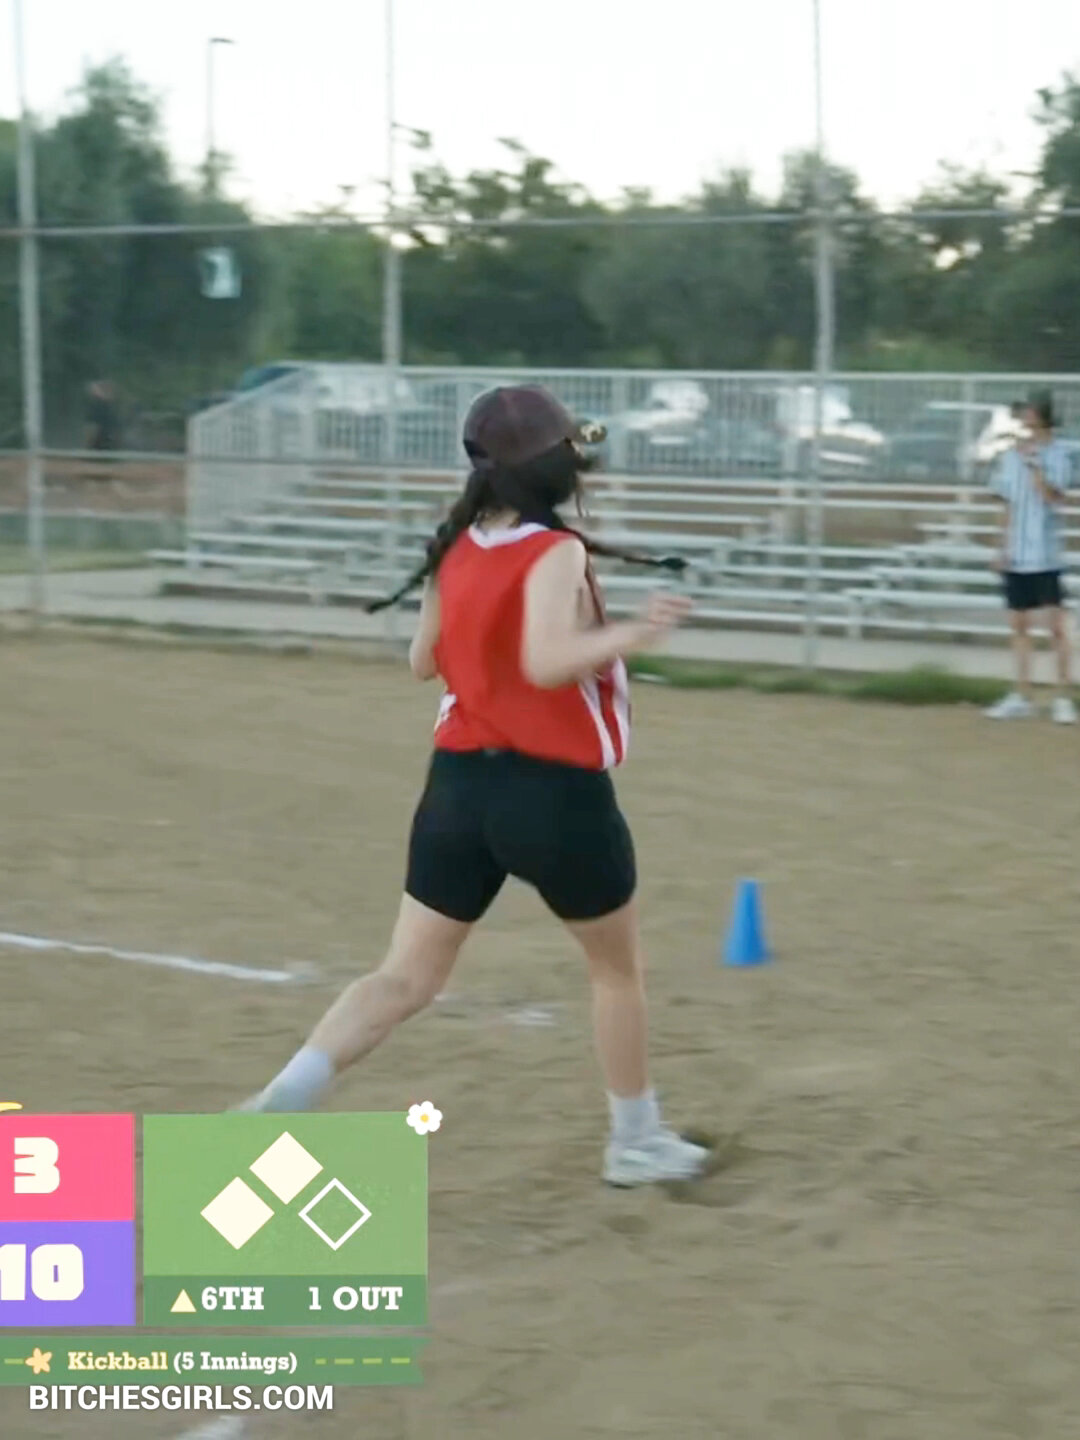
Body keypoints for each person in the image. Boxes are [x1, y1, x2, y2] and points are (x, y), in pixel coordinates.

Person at [244, 384, 712, 1188]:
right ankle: (635, 1142)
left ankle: (284, 1096)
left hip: (457, 788)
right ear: (554, 469)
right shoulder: (554, 550)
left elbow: (421, 660)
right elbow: (544, 661)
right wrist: (638, 631)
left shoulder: (456, 544)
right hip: (552, 794)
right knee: (614, 971)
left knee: (404, 977)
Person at [985, 388, 1076, 724]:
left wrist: (1035, 465)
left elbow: (1053, 496)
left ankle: (1062, 696)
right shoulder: (1010, 456)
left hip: (1046, 554)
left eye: (1030, 411)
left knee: (1056, 627)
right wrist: (1001, 547)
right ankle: (1022, 694)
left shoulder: (1060, 453)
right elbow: (1006, 504)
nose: (1025, 417)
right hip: (1018, 553)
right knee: (1019, 625)